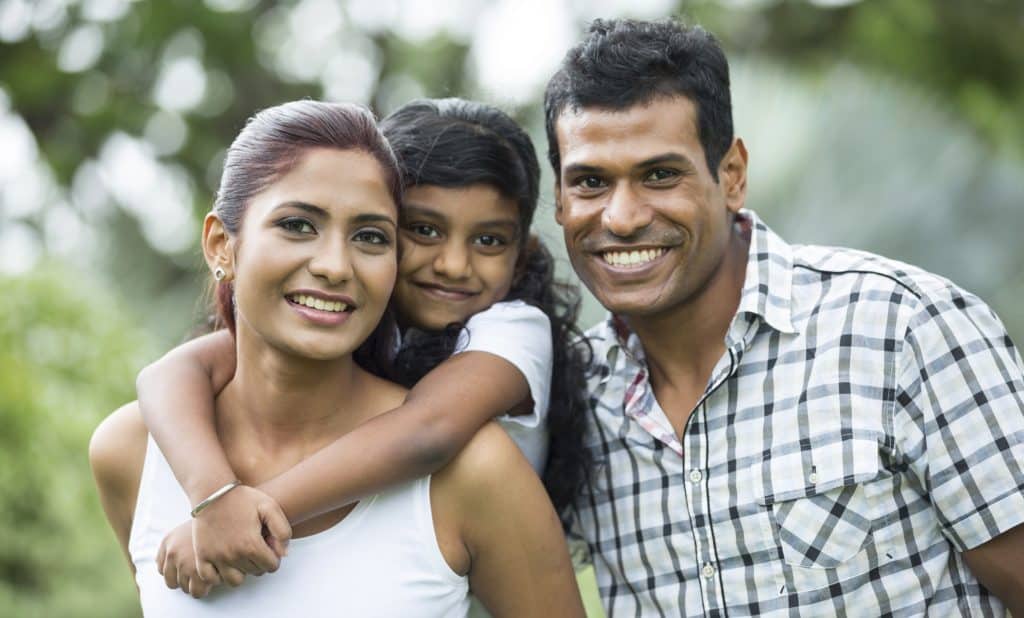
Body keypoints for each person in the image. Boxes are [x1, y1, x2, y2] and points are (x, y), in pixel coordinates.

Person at [544, 17, 1024, 616]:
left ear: (732, 176)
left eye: (660, 174)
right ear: (560, 201)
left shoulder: (902, 330)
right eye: (589, 182)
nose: (620, 216)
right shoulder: (571, 395)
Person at [89, 99, 584, 616]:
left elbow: (426, 429)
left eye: (369, 236)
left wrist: (251, 511)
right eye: (298, 225)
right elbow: (174, 368)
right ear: (221, 245)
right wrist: (214, 493)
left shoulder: (502, 358)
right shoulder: (131, 452)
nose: (334, 265)